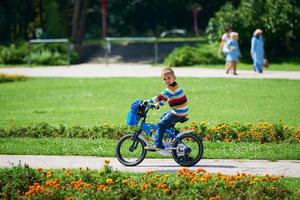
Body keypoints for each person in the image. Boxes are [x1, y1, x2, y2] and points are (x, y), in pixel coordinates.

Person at [145, 68, 188, 150]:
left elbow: (160, 97)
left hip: (178, 111)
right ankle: (175, 136)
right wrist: (158, 105)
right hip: (179, 110)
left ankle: (158, 144)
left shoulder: (171, 89)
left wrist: (148, 101)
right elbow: (165, 98)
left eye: (169, 78)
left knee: (161, 124)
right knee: (164, 117)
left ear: (174, 77)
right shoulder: (173, 86)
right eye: (164, 79)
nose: (167, 80)